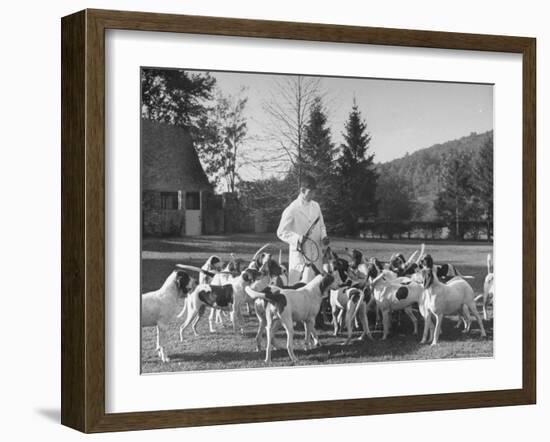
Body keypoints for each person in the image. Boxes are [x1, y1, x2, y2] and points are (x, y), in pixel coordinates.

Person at [277, 175, 330, 285]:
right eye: (311, 192)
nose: (313, 195)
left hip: (316, 254)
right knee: (297, 288)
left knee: (316, 288)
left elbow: (321, 226)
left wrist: (324, 236)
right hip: (300, 255)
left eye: (315, 192)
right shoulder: (292, 209)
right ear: (302, 190)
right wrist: (298, 238)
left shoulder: (316, 206)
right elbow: (281, 232)